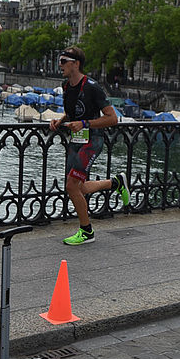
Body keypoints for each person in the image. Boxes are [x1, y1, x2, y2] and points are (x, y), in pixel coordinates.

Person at [48, 45, 129, 245]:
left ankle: (87, 231)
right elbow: (74, 112)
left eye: (63, 61)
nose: (60, 65)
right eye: (60, 61)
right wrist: (61, 120)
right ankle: (116, 183)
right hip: (76, 140)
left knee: (71, 185)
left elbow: (112, 118)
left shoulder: (92, 87)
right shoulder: (66, 86)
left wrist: (84, 123)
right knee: (80, 187)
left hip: (92, 141)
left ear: (76, 64)